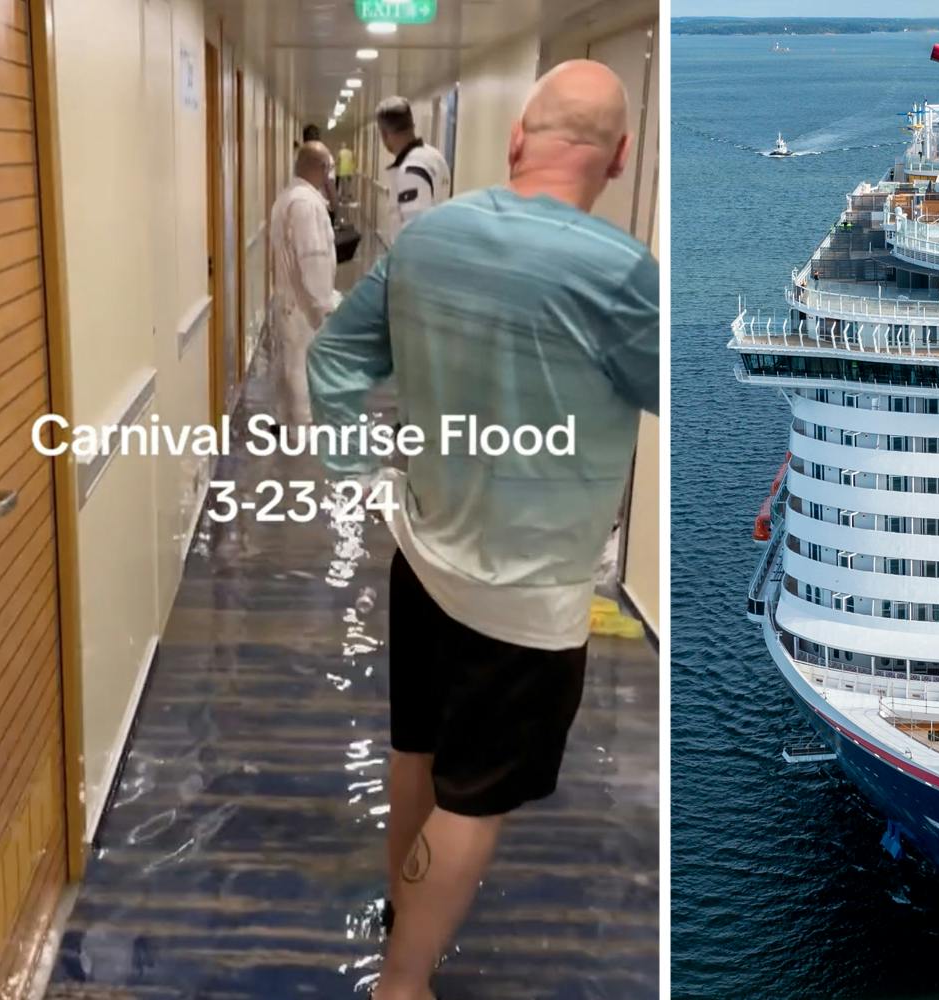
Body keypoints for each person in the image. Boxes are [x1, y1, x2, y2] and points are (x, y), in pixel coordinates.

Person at [307, 60, 656, 1000]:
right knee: (473, 802)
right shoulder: (623, 277)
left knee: (414, 753)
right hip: (525, 603)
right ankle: (403, 983)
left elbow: (336, 356)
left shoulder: (429, 242)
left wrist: (354, 478)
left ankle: (400, 912)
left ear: (513, 143)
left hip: (421, 556)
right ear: (620, 160)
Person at [268, 141, 341, 425]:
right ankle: (301, 432)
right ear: (321, 168)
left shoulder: (289, 196)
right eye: (329, 169)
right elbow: (312, 259)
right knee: (301, 370)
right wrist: (322, 307)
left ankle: (286, 423)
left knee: (290, 365)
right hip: (303, 306)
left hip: (290, 299)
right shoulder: (306, 204)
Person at [375, 96, 452, 247]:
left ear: (384, 134)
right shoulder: (435, 156)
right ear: (412, 125)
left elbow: (414, 234)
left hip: (417, 264)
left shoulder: (411, 171)